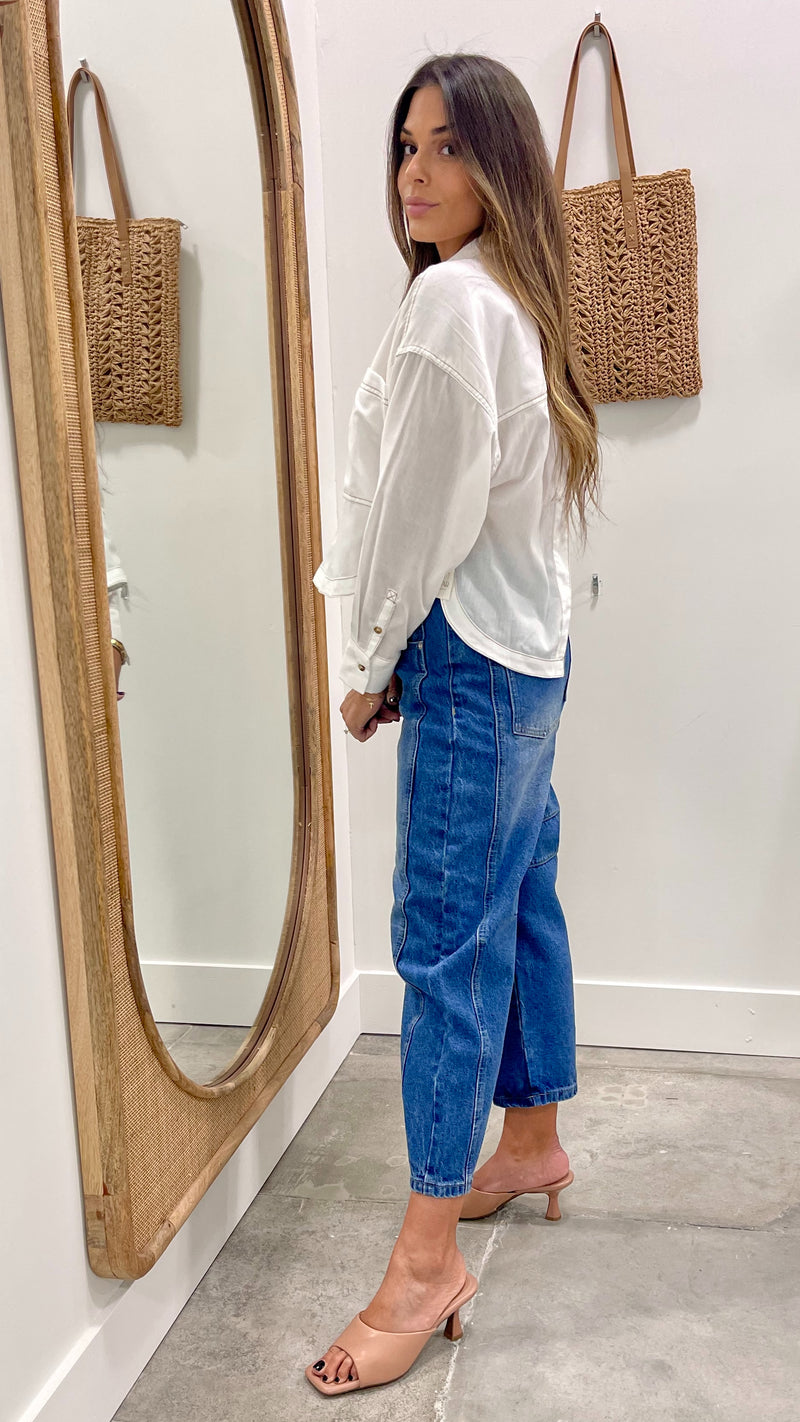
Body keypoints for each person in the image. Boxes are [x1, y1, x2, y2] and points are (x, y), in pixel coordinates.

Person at [307, 52, 602, 1396]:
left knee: (444, 945)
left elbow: (416, 515)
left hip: (473, 659)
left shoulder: (452, 307)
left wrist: (367, 661)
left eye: (446, 147)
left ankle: (427, 1260)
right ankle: (529, 1133)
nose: (415, 173)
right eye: (404, 146)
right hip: (534, 649)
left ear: (501, 164)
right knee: (520, 892)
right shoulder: (520, 297)